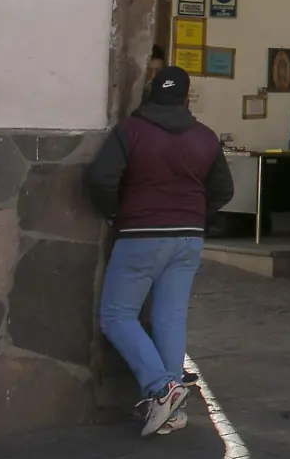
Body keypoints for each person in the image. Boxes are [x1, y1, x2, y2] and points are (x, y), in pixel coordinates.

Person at [86, 66, 234, 437]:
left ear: (150, 93)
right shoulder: (205, 138)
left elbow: (100, 178)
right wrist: (197, 214)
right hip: (188, 238)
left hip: (141, 234)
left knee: (117, 316)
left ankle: (160, 388)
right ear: (186, 98)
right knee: (170, 319)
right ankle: (170, 410)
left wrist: (116, 213)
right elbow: (223, 189)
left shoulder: (130, 131)